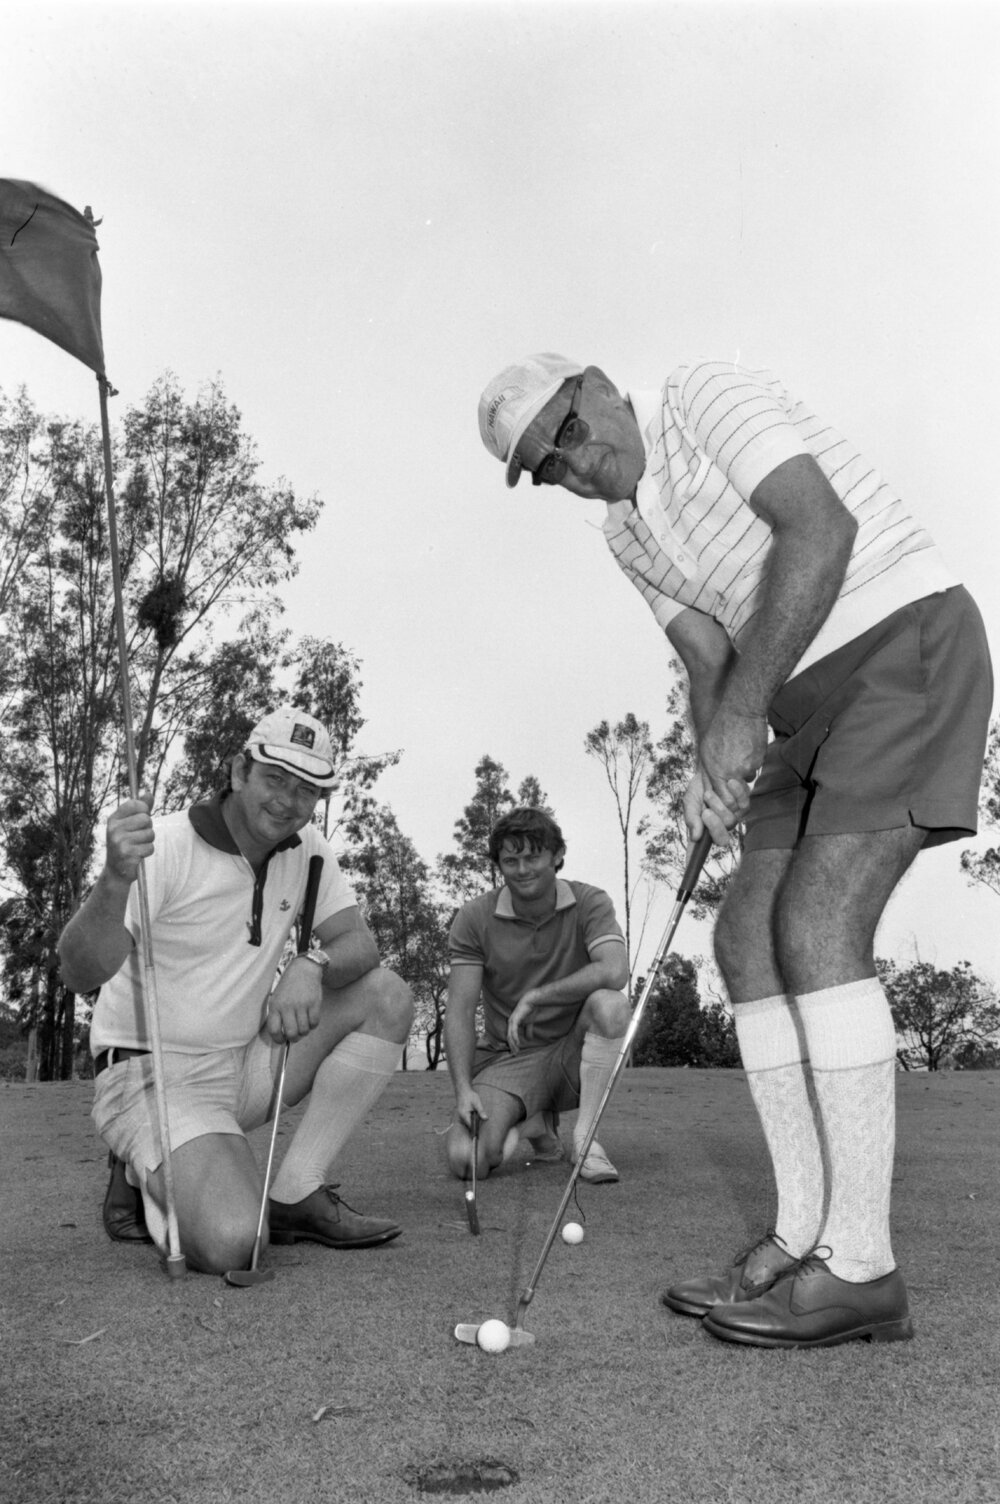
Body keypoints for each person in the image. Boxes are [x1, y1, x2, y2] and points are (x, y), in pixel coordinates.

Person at [477, 354, 993, 1347]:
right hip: (795, 702)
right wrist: (708, 775)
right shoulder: (623, 532)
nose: (577, 468)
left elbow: (820, 529)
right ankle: (804, 1235)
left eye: (572, 433)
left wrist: (739, 718)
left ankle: (862, 1266)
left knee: (814, 920)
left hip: (903, 639)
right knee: (745, 942)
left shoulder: (701, 394)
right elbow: (710, 659)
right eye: (549, 467)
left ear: (598, 385)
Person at [58, 707, 414, 1276]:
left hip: (246, 1062)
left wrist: (311, 962)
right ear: (239, 772)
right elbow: (80, 972)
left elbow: (360, 944)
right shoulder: (167, 845)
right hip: (152, 1075)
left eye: (307, 790)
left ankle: (297, 1190)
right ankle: (142, 1162)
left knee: (387, 995)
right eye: (275, 779)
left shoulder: (310, 849)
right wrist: (115, 877)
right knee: (234, 1243)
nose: (288, 802)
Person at [445, 805, 631, 1186]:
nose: (523, 869)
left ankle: (585, 1138)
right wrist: (463, 1090)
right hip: (508, 1059)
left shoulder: (590, 902)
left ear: (557, 855)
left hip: (573, 1051)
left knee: (612, 1006)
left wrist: (536, 997)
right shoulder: (474, 917)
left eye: (533, 856)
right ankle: (535, 1122)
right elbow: (460, 1011)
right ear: (498, 864)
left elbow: (614, 970)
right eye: (510, 860)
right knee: (467, 1161)